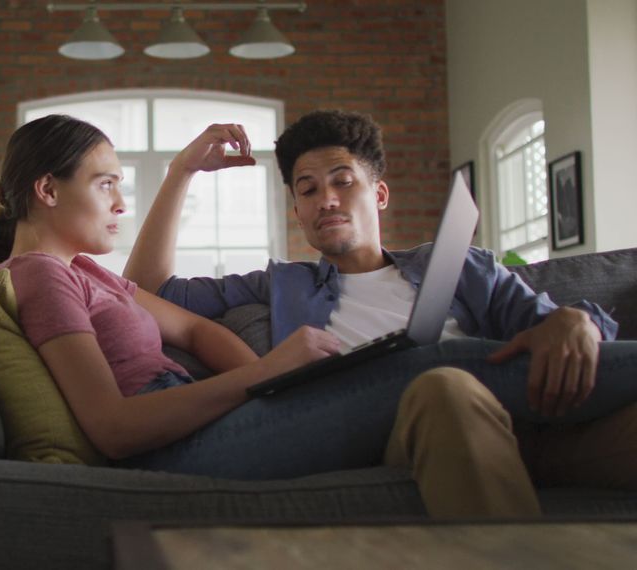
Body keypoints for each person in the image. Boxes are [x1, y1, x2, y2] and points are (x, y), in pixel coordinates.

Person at [123, 109, 637, 518]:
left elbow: (548, 329)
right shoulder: (280, 284)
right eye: (307, 190)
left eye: (343, 181)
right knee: (446, 384)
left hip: (531, 428)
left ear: (380, 194)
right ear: (298, 213)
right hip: (414, 427)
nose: (326, 199)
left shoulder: (460, 265)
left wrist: (576, 323)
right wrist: (181, 170)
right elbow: (146, 289)